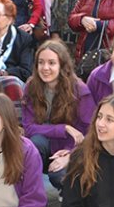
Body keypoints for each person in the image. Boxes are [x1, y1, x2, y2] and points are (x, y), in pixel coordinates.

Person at [22, 41, 94, 190]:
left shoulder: (79, 90)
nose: (45, 68)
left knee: (59, 177)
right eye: (41, 62)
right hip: (44, 146)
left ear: (62, 65)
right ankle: (31, 191)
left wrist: (69, 154)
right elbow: (29, 128)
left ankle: (69, 190)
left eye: (51, 63)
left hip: (70, 147)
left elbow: (89, 132)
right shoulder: (31, 87)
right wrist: (64, 128)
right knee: (34, 143)